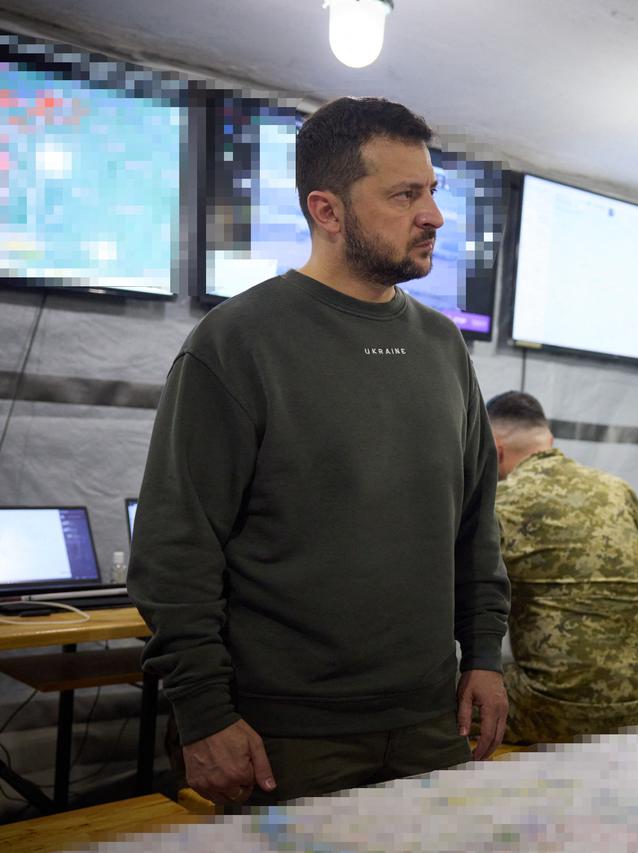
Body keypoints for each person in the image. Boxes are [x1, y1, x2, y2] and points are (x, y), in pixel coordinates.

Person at [128, 97, 510, 807]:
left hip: (431, 721)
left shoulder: (443, 346)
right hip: (287, 738)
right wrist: (204, 711)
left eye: (432, 191)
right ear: (327, 211)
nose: (434, 215)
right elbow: (174, 546)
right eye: (405, 194)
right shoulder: (236, 342)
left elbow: (474, 524)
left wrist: (484, 655)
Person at [487, 391, 638, 743]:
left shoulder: (501, 502)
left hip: (560, 708)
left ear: (494, 450)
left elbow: (467, 592)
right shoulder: (617, 489)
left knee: (452, 696)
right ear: (550, 441)